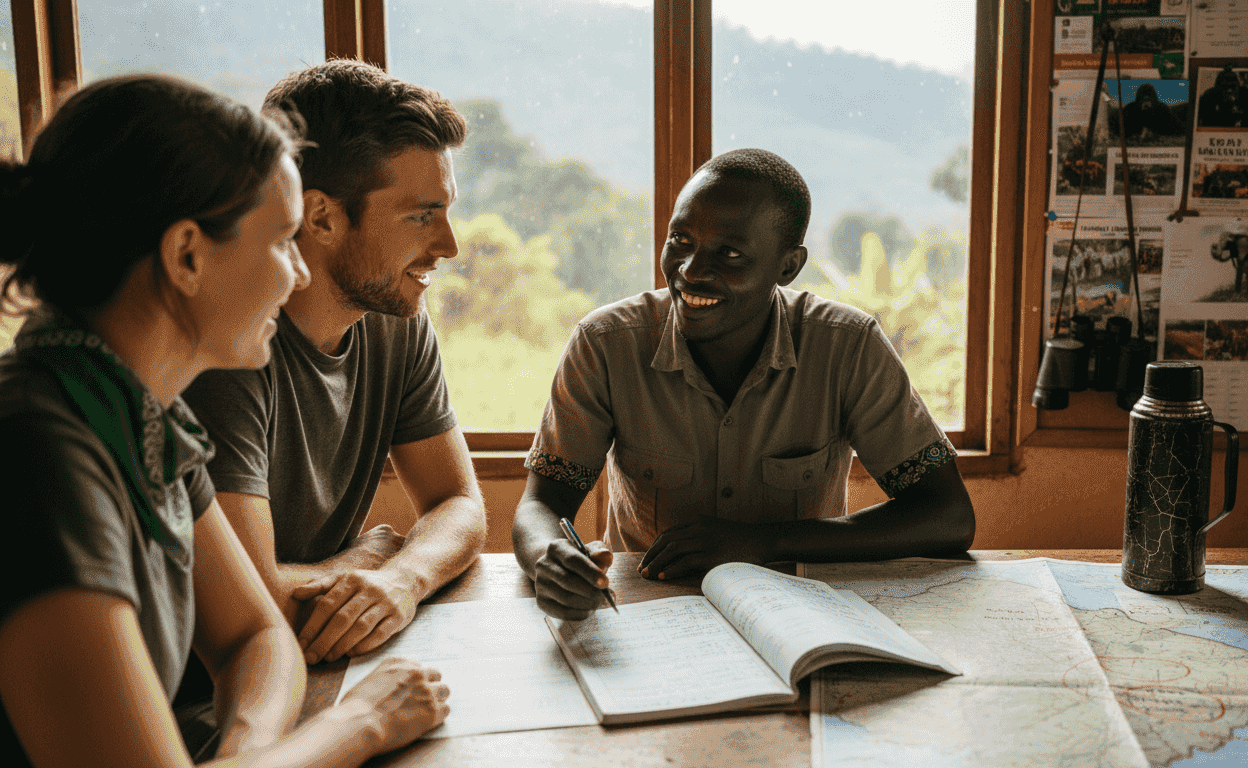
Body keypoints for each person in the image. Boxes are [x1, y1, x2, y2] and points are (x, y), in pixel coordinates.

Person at [0, 74, 448, 767]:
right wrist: (361, 722)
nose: (300, 274)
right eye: (282, 240)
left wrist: (243, 756)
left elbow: (256, 637)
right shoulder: (37, 456)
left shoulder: (142, 414)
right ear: (187, 255)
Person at [513, 148, 976, 621]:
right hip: (646, 611)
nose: (691, 270)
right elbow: (542, 503)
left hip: (801, 615)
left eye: (729, 254)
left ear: (788, 266)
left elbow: (947, 515)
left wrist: (765, 542)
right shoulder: (606, 344)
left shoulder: (848, 347)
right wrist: (551, 559)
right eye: (680, 240)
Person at [183, 60, 487, 667]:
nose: (449, 246)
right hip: (209, 687)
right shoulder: (230, 348)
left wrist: (402, 578)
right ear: (322, 217)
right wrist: (361, 561)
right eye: (421, 215)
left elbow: (459, 502)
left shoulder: (396, 316)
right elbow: (248, 600)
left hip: (310, 657)